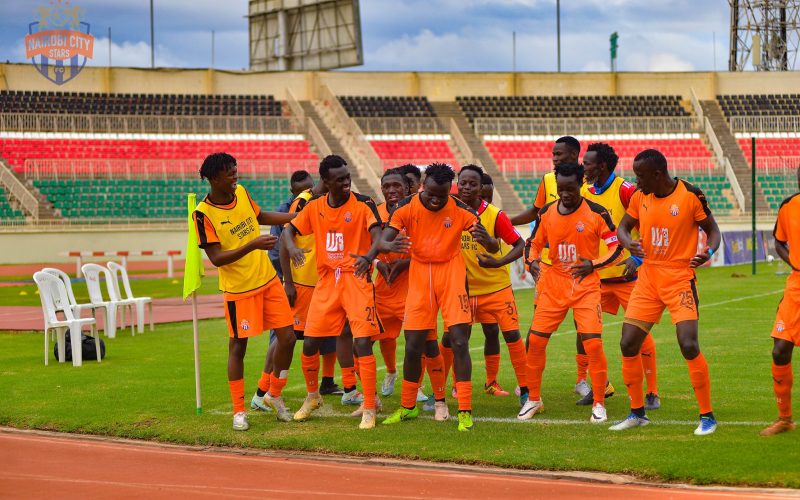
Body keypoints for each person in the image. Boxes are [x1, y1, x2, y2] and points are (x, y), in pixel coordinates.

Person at [610, 149, 721, 436]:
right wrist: (629, 244)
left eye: (641, 176)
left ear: (658, 174)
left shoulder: (689, 195)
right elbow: (623, 228)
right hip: (648, 278)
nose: (636, 182)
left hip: (679, 277)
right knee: (628, 344)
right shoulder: (639, 197)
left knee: (688, 344)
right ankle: (637, 413)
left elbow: (713, 230)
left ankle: (707, 416)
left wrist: (708, 251)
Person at [375, 163, 487, 432]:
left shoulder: (462, 210)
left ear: (451, 189)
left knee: (459, 341)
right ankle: (407, 407)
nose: (436, 200)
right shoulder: (406, 206)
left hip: (451, 273)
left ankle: (464, 411)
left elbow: (491, 242)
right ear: (423, 185)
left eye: (443, 195)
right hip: (421, 274)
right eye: (431, 194)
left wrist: (489, 242)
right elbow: (384, 240)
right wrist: (388, 245)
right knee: (413, 344)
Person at [193, 152, 297, 430]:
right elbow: (216, 258)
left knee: (288, 337)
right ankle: (239, 411)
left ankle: (274, 394)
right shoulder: (203, 214)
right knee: (238, 346)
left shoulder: (241, 192)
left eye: (236, 171)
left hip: (268, 280)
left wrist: (295, 217)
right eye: (229, 173)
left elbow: (260, 215)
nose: (235, 176)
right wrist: (253, 244)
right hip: (239, 289)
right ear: (214, 178)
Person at [282, 155, 387, 430]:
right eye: (339, 179)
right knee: (309, 343)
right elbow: (287, 233)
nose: (345, 182)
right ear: (325, 182)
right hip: (327, 281)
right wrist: (292, 249)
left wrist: (370, 255)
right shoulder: (315, 207)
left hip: (356, 279)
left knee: (362, 343)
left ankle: (370, 404)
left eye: (347, 176)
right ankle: (313, 396)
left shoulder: (363, 203)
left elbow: (378, 235)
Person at [508, 137, 614, 401]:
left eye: (561, 154)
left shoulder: (589, 184)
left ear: (575, 155)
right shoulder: (547, 181)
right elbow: (536, 213)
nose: (555, 158)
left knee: (586, 332)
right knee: (537, 333)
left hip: (581, 269)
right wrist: (506, 224)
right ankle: (530, 390)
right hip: (549, 270)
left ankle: (585, 380)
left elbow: (601, 221)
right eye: (553, 154)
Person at [579, 143, 660, 409]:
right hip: (596, 278)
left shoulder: (626, 190)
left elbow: (646, 223)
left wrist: (637, 259)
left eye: (588, 163)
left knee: (640, 334)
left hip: (627, 277)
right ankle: (602, 386)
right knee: (587, 333)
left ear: (602, 165)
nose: (584, 167)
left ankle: (652, 392)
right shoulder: (583, 192)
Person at [441, 165, 528, 407]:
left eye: (473, 184)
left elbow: (520, 244)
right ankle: (443, 391)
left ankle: (526, 391)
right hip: (461, 290)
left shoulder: (495, 215)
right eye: (464, 182)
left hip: (496, 288)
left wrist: (497, 257)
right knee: (451, 339)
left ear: (481, 187)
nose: (467, 187)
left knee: (511, 336)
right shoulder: (448, 210)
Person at [279, 174, 348, 401]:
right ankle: (268, 391)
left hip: (326, 282)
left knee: (332, 335)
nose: (347, 185)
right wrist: (288, 282)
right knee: (286, 338)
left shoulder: (335, 202)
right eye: (343, 180)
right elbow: (284, 240)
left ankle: (330, 383)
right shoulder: (304, 202)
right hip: (301, 282)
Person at [760, 167, 800, 436]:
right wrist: (796, 265)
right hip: (796, 286)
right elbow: (779, 242)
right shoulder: (789, 206)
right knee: (780, 350)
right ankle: (785, 418)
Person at [373, 168, 412, 399]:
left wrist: (404, 263)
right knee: (384, 337)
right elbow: (365, 244)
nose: (392, 190)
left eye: (396, 186)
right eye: (387, 186)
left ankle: (415, 386)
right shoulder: (375, 212)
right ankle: (391, 371)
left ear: (407, 188)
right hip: (383, 284)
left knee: (416, 338)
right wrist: (378, 263)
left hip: (410, 284)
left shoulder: (415, 210)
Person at [268, 170, 313, 278]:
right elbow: (275, 251)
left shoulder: (320, 206)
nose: (305, 196)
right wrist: (287, 279)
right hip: (293, 276)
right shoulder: (282, 211)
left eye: (309, 190)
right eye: (301, 192)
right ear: (292, 191)